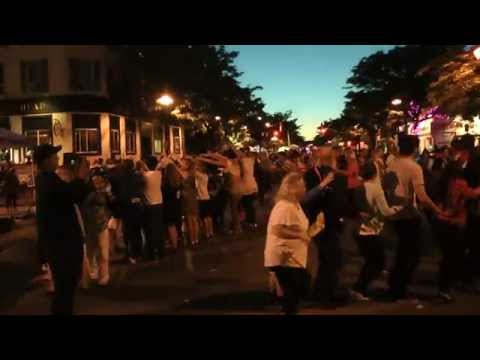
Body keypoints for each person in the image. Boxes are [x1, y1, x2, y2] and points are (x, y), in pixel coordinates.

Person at [385, 134, 443, 302]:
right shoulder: (414, 167)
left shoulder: (391, 165)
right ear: (414, 148)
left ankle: (395, 287)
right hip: (408, 214)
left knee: (403, 252)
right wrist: (437, 210)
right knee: (411, 254)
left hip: (394, 213)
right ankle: (398, 289)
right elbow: (422, 195)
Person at [34, 144, 90, 314]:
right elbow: (71, 195)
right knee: (64, 291)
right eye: (54, 156)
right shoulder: (48, 180)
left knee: (65, 290)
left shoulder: (47, 179)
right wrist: (80, 178)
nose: (58, 159)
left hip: (59, 245)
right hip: (62, 246)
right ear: (46, 160)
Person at [350, 161, 402, 301]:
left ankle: (358, 288)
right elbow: (384, 211)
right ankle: (358, 288)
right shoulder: (376, 188)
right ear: (375, 173)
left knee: (371, 261)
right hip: (369, 230)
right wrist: (397, 209)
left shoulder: (360, 187)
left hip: (359, 229)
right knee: (378, 262)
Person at [304, 146, 349, 306]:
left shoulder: (310, 175)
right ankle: (326, 294)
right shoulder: (332, 177)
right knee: (333, 259)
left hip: (318, 223)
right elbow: (340, 202)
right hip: (326, 223)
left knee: (326, 259)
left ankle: (322, 292)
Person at [264, 172, 312, 315]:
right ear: (292, 188)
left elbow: (298, 226)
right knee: (294, 291)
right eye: (301, 186)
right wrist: (299, 235)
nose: (305, 189)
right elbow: (277, 229)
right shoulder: (284, 206)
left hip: (292, 257)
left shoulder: (295, 204)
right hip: (284, 257)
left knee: (297, 290)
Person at [434, 160, 480, 303]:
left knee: (449, 255)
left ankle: (445, 286)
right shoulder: (459, 183)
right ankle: (444, 289)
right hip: (452, 222)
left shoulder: (442, 182)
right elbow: (472, 194)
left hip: (440, 220)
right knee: (452, 256)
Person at [81, 170, 114, 286]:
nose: (98, 182)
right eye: (95, 180)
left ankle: (103, 275)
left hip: (101, 223)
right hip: (89, 224)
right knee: (91, 251)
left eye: (99, 180)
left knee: (102, 250)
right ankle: (94, 273)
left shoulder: (104, 192)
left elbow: (110, 204)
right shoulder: (87, 191)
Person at [118, 159, 145, 264]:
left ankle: (129, 254)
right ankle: (138, 253)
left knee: (128, 232)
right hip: (138, 206)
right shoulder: (138, 176)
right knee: (137, 231)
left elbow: (122, 193)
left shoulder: (122, 177)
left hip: (127, 207)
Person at [141, 156, 165, 260]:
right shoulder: (158, 174)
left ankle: (150, 252)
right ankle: (160, 250)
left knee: (149, 230)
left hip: (149, 205)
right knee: (159, 229)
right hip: (159, 204)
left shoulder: (145, 176)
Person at [162, 163, 183, 251]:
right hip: (177, 205)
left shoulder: (166, 182)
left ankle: (174, 245)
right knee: (177, 224)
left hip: (168, 205)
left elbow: (164, 194)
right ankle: (177, 241)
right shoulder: (178, 182)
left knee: (171, 225)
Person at [180, 158, 200, 247]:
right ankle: (196, 239)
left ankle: (191, 240)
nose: (181, 165)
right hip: (193, 198)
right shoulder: (193, 174)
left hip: (187, 198)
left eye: (183, 163)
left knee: (189, 220)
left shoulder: (184, 174)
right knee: (194, 220)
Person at [239, 148, 259, 229]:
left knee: (247, 204)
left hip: (246, 185)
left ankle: (250, 221)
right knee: (249, 205)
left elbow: (239, 155)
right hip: (252, 185)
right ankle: (251, 221)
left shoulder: (246, 161)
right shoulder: (251, 161)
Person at [196, 160, 214, 241]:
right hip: (207, 197)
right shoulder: (205, 175)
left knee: (205, 217)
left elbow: (193, 170)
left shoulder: (201, 175)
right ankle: (211, 232)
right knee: (208, 216)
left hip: (202, 198)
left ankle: (207, 233)